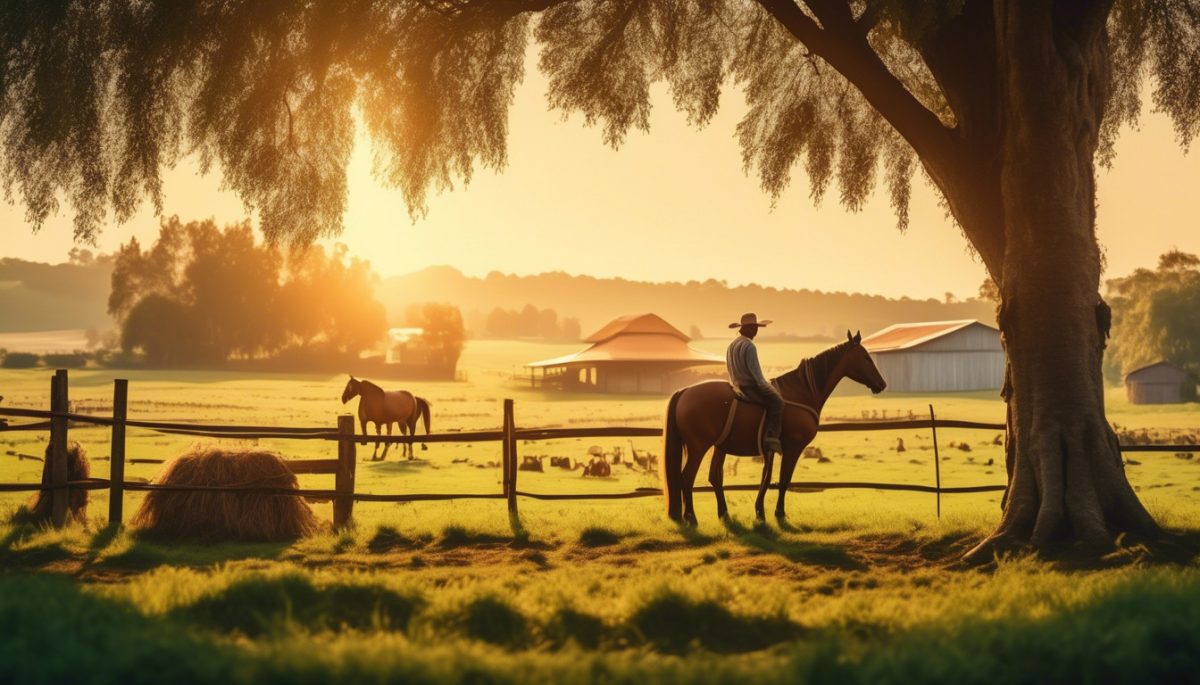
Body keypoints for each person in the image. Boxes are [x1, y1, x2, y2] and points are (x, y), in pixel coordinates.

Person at [726, 312, 784, 458]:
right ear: (751, 329)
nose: (757, 332)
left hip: (736, 386)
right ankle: (771, 438)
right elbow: (757, 377)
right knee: (778, 403)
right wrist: (769, 387)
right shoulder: (749, 346)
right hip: (750, 388)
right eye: (756, 328)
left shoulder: (731, 345)